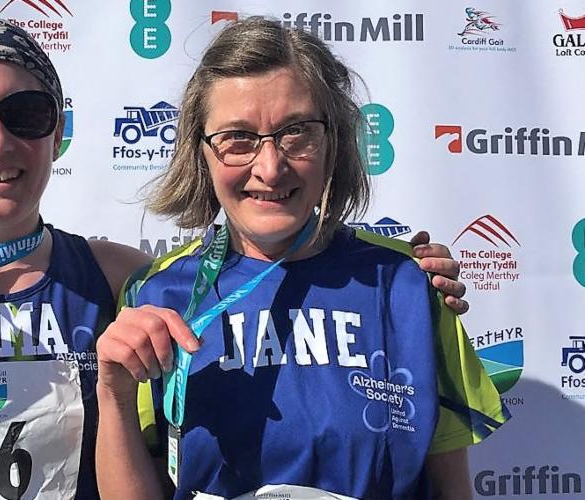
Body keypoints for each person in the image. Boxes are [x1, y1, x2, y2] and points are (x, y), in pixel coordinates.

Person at [0, 17, 467, 500]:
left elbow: (264, 272)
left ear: (56, 136)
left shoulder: (121, 278)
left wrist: (406, 279)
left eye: (25, 116)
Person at [95, 17, 508, 500]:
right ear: (199, 151)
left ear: (333, 142)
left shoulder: (409, 284)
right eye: (237, 138)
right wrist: (114, 396)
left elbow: (450, 487)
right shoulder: (157, 295)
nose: (270, 168)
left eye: (297, 132)